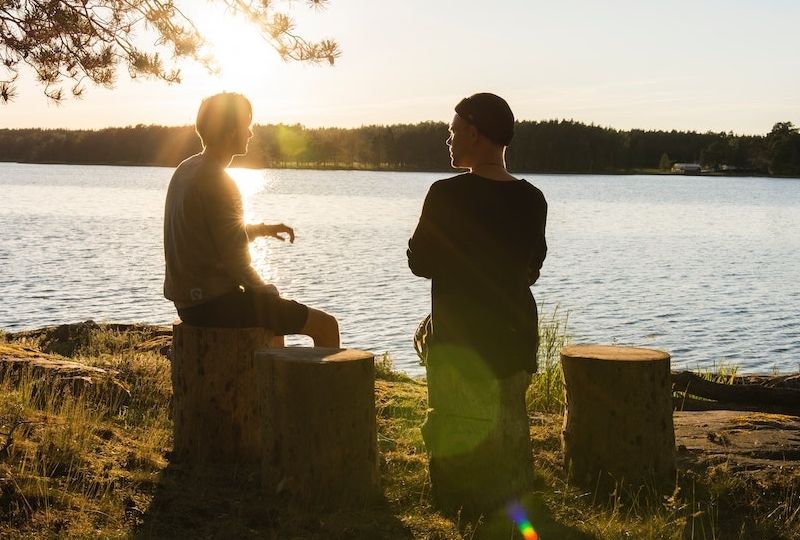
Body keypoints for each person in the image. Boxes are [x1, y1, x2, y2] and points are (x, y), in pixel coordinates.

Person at [407, 92, 547, 516]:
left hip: (460, 343)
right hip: (513, 340)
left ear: (473, 131)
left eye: (452, 131)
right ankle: (513, 499)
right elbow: (531, 267)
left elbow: (420, 262)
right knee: (509, 423)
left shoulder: (446, 194)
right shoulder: (532, 198)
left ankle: (460, 505)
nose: (448, 140)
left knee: (455, 423)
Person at [164, 92, 339, 347]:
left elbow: (215, 235)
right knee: (325, 325)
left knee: (273, 321)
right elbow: (236, 260)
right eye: (247, 125)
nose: (251, 133)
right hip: (214, 305)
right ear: (231, 132)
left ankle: (276, 385)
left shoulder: (187, 168)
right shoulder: (219, 181)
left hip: (187, 304)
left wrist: (262, 230)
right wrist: (268, 290)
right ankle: (328, 388)